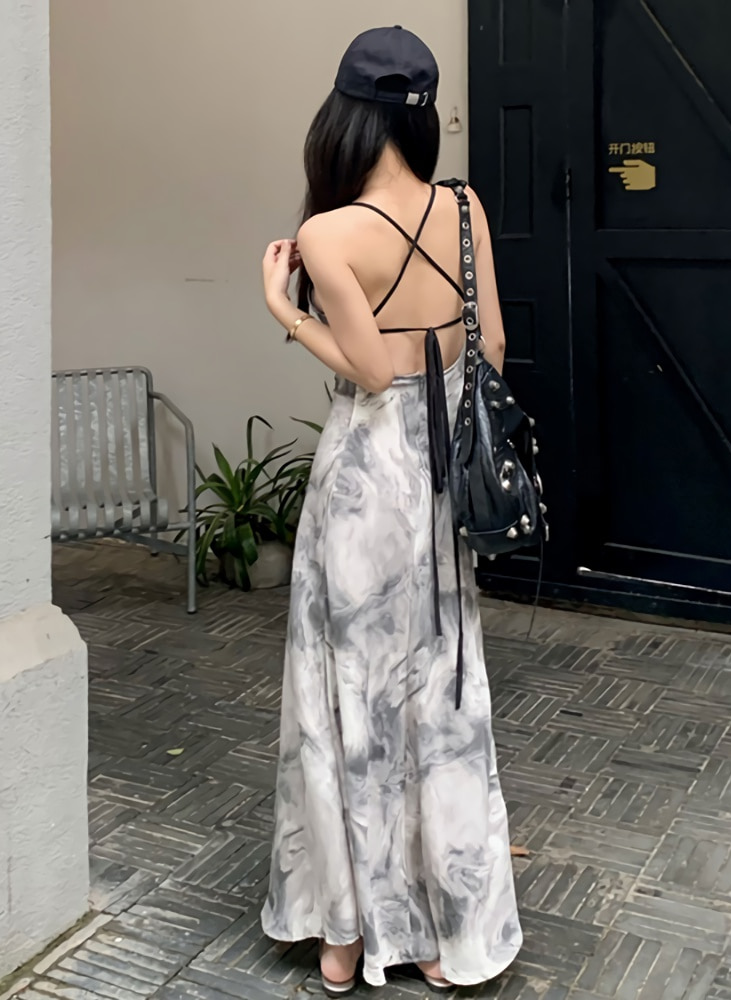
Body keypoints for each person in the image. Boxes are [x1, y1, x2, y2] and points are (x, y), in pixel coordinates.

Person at [259, 25, 522, 994]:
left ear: (343, 116)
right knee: (438, 698)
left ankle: (343, 934)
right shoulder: (464, 207)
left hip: (364, 489)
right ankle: (443, 932)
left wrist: (286, 312)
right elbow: (492, 346)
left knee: (347, 702)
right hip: (441, 482)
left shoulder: (331, 235)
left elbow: (370, 371)